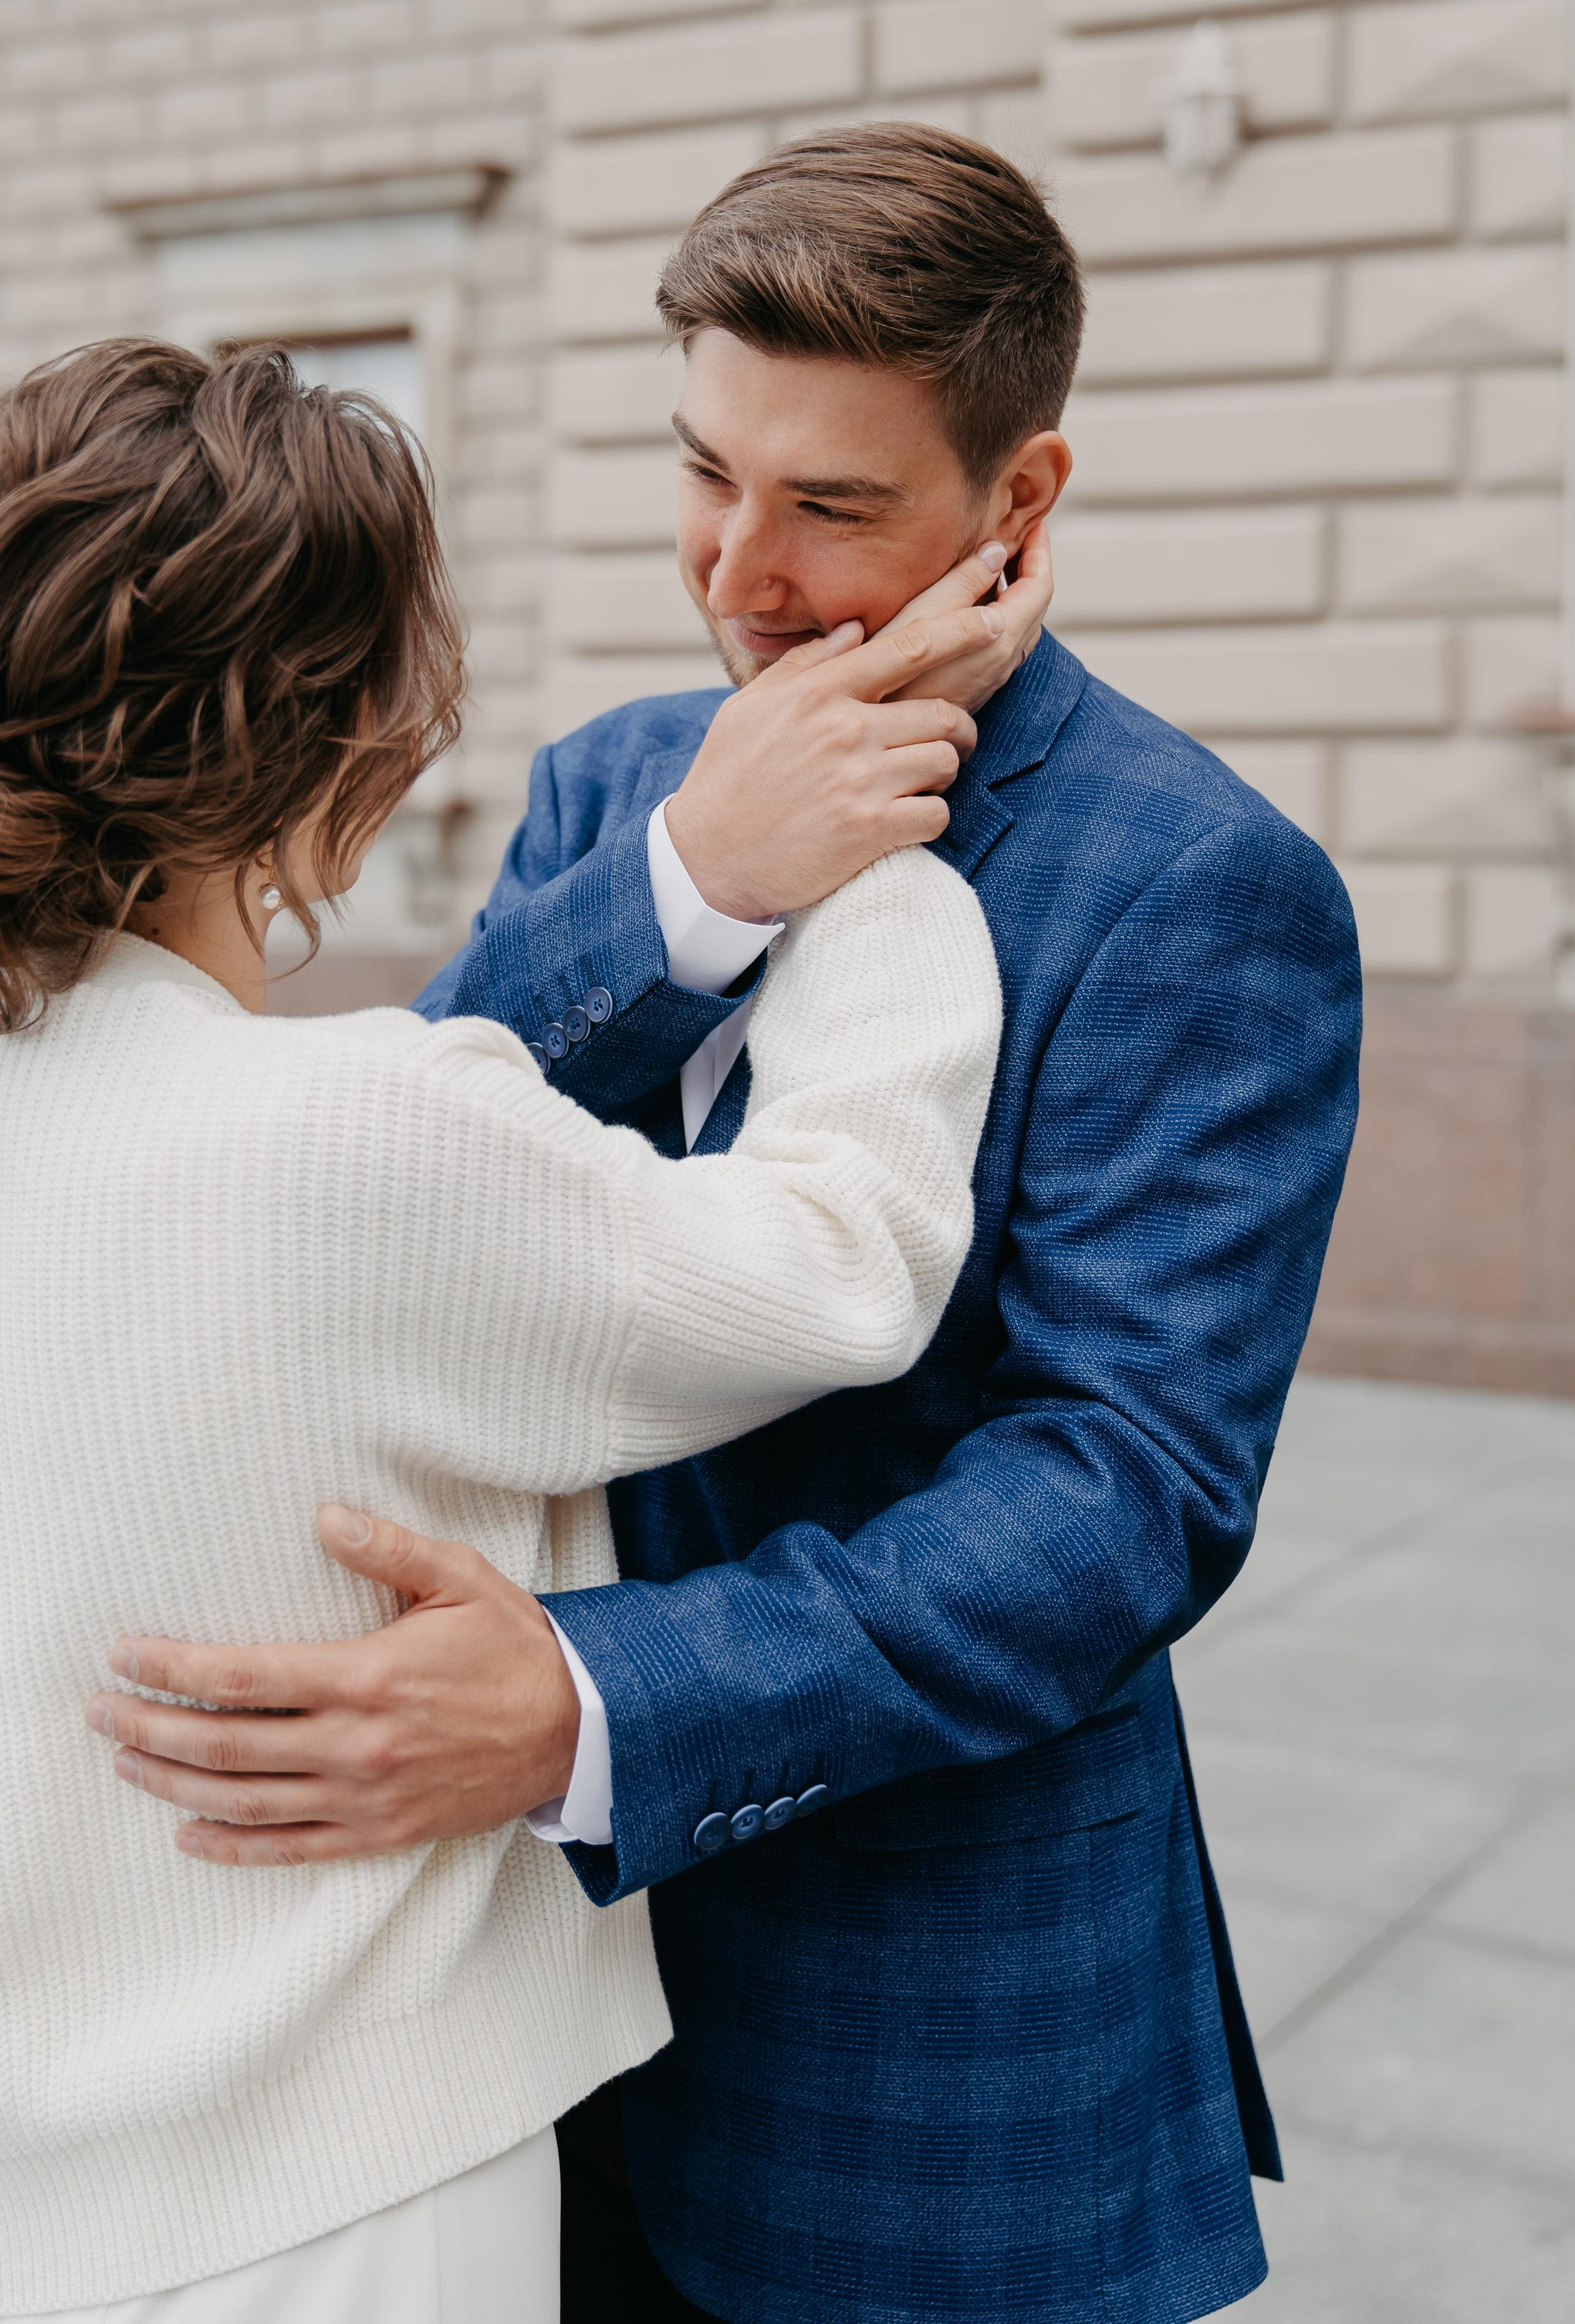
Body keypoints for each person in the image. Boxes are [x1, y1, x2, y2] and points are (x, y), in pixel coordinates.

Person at [96, 127, 1367, 2324]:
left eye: (835, 508)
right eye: (708, 475)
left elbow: (1126, 1492)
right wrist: (693, 885)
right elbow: (401, 1189)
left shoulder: (1201, 883)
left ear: (1021, 503)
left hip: (926, 2043)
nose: (741, 575)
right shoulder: (614, 790)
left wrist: (594, 1701)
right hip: (502, 2014)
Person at [0, 332, 1028, 2324]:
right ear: (335, 736)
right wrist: (847, 860)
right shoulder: (352, 1143)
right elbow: (842, 1258)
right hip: (337, 2221)